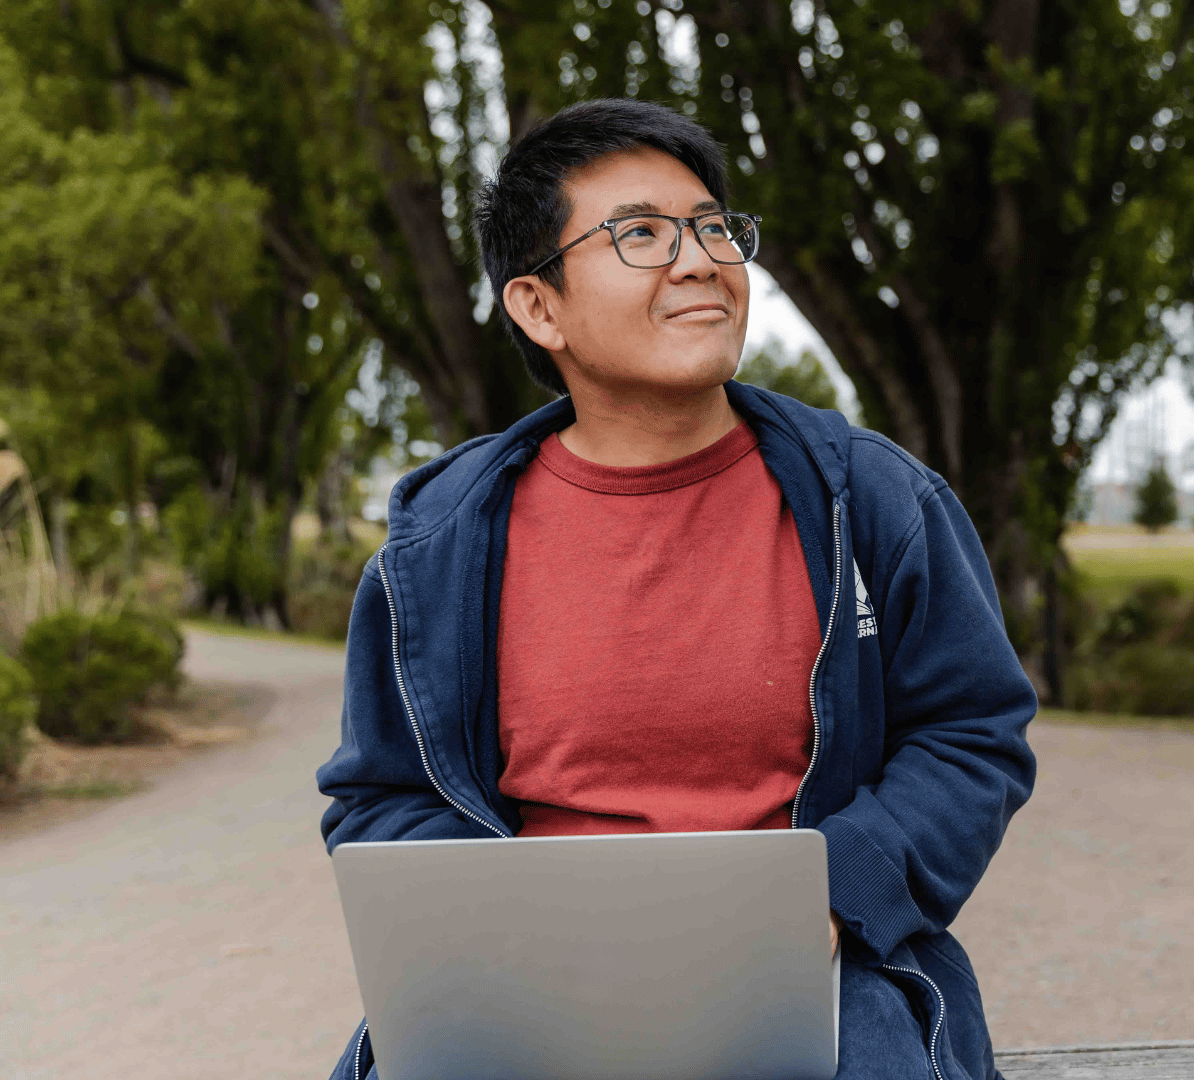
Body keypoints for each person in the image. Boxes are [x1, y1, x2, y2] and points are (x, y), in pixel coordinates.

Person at [316, 98, 1038, 1080]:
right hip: (529, 985)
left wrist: (832, 893)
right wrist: (492, 932)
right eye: (641, 235)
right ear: (539, 306)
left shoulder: (875, 503)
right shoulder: (436, 550)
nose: (699, 260)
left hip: (818, 970)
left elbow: (971, 735)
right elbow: (382, 794)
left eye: (712, 229)